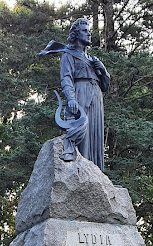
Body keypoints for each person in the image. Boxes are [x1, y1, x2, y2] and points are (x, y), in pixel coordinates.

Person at [39, 18, 110, 171]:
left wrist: (103, 71)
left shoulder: (93, 60)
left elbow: (105, 86)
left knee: (96, 134)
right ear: (76, 35)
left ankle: (97, 172)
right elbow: (66, 78)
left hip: (96, 96)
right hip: (80, 93)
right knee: (82, 133)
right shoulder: (68, 55)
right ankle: (80, 170)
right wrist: (71, 98)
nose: (89, 33)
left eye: (88, 30)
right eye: (85, 31)